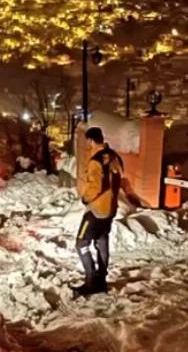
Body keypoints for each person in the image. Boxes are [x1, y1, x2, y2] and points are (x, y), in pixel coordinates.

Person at [74, 127, 123, 296]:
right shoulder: (114, 156)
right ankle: (101, 281)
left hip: (96, 209)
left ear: (91, 141)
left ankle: (91, 281)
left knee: (81, 243)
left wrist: (86, 198)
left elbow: (96, 187)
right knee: (102, 241)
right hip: (110, 209)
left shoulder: (96, 161)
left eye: (88, 142)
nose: (87, 145)